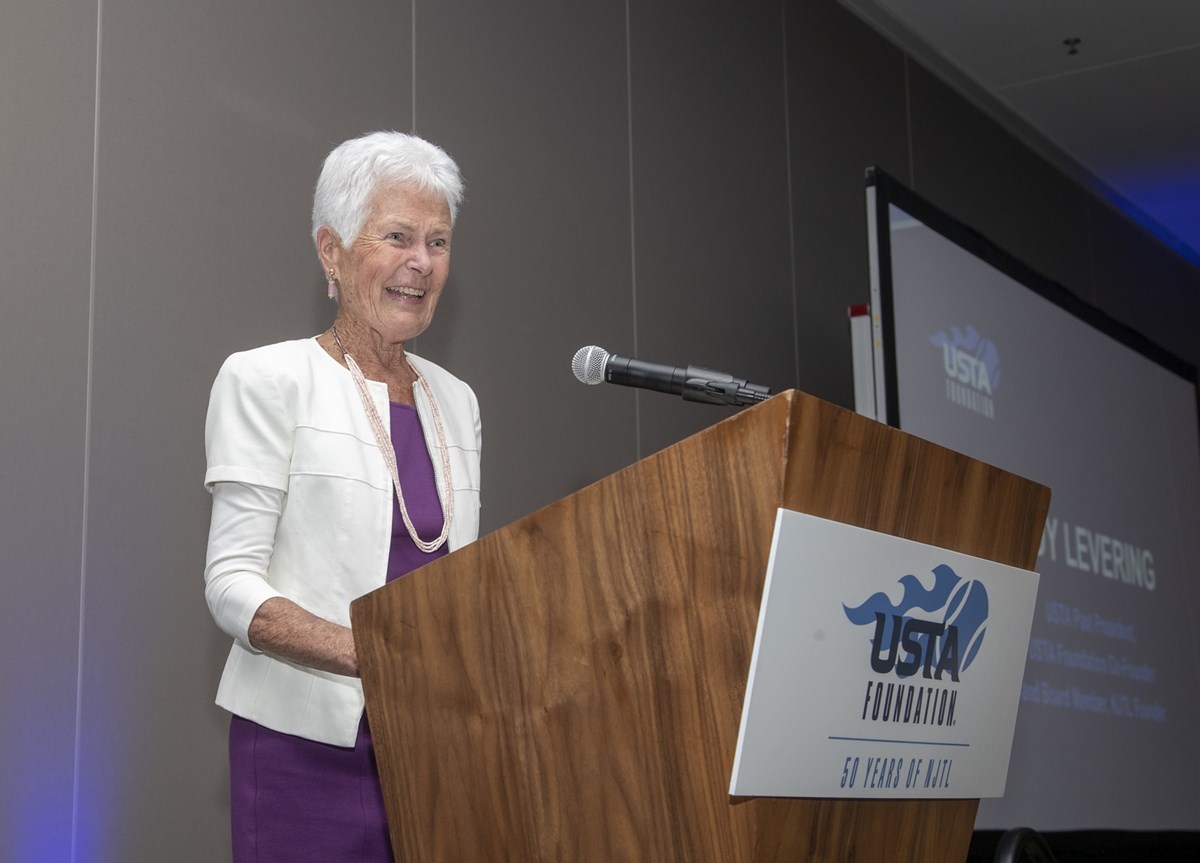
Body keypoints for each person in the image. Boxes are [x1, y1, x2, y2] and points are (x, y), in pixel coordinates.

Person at [203, 131, 481, 862]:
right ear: (331, 250)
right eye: (397, 236)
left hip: (436, 749)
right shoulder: (267, 380)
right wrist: (373, 656)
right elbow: (231, 585)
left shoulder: (457, 401)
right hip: (300, 753)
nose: (421, 261)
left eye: (438, 241)